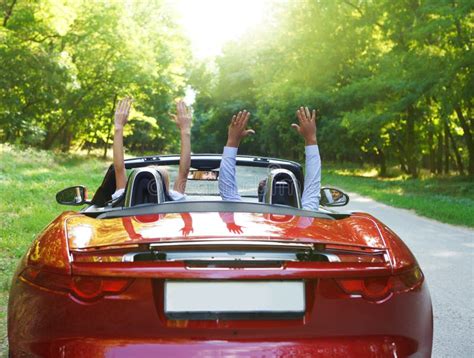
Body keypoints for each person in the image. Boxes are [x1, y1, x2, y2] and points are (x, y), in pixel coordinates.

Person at [218, 107, 321, 211]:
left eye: (264, 184)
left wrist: (232, 140)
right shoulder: (306, 220)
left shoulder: (242, 214)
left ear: (263, 198)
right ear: (294, 198)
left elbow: (227, 190)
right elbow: (313, 182)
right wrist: (311, 138)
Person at [111, 97, 192, 202]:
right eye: (156, 168)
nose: (154, 165)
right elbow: (184, 171)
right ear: (165, 187)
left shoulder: (124, 199)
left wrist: (118, 127)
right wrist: (185, 129)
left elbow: (119, 168)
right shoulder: (173, 199)